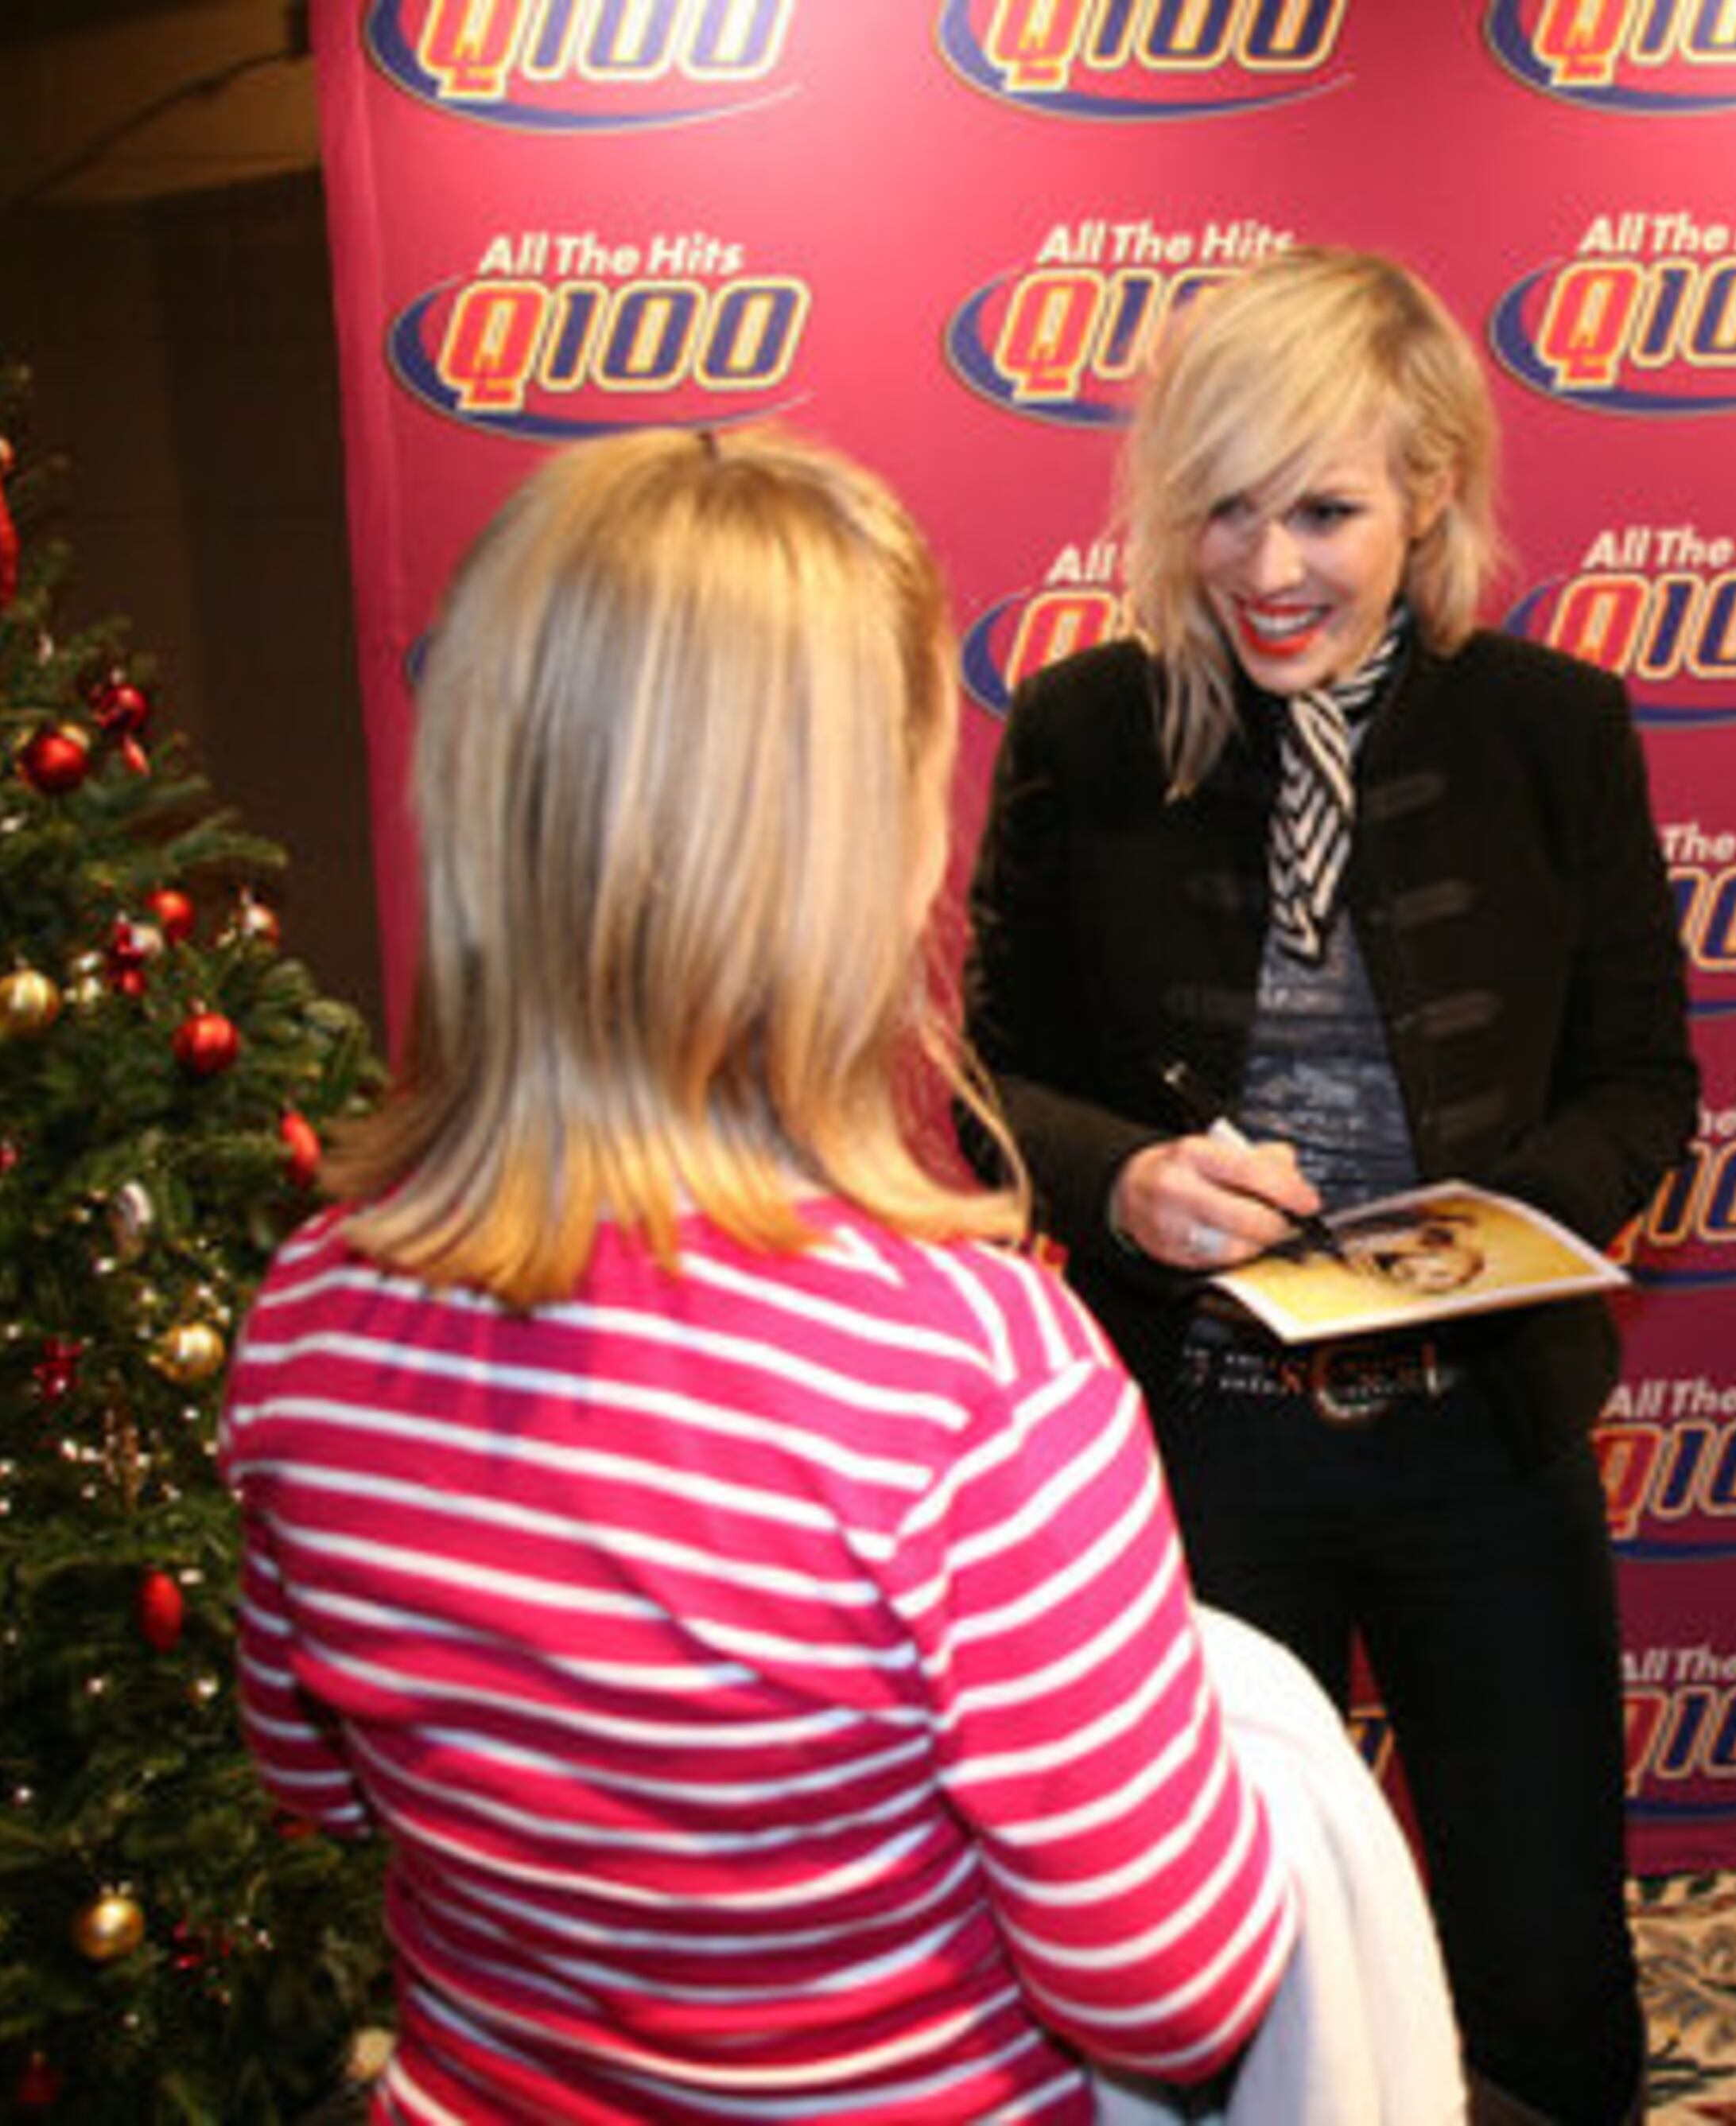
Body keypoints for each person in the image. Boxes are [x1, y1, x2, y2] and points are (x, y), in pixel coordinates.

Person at [220, 426, 1295, 2122]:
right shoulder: (980, 1381)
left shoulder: (308, 1318)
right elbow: (1176, 1993)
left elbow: (316, 1779)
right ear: (849, 860)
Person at [963, 245, 1700, 2125]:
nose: (1268, 565)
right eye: (1223, 506)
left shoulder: (1555, 728)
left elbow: (1643, 1084)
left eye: (1325, 507)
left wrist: (1499, 1230)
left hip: (1486, 1432)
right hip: (1195, 1443)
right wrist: (1123, 1175)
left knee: (1542, 1948)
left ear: (1431, 487)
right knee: (1225, 1967)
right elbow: (995, 1091)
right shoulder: (1083, 733)